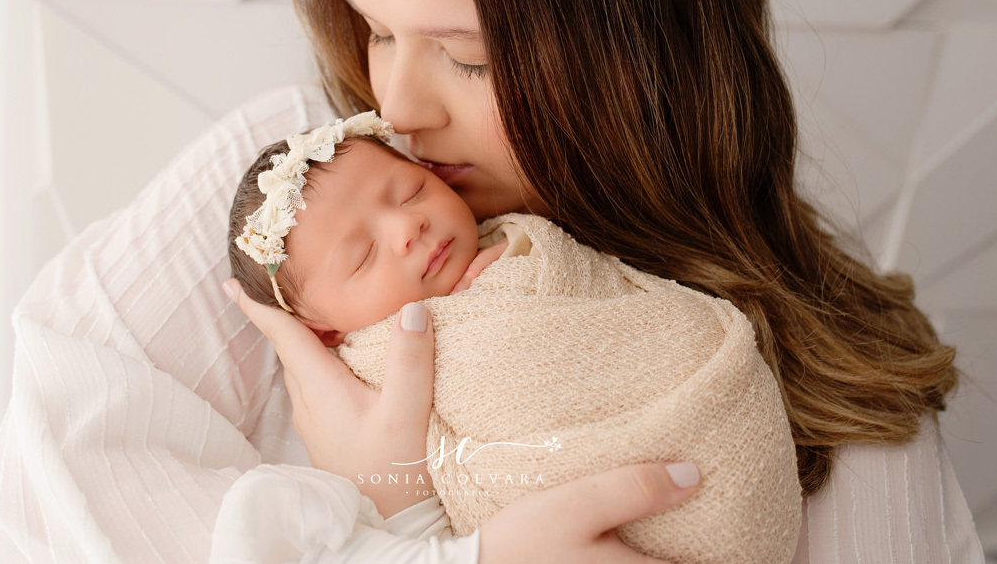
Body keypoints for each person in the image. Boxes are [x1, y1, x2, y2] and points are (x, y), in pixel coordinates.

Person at [222, 0, 983, 563]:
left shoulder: (854, 426)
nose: (395, 108)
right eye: (378, 30)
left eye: (468, 57)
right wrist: (403, 519)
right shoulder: (289, 202)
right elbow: (53, 478)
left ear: (639, 59)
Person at [215, 112, 800, 562]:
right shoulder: (363, 380)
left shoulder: (521, 239)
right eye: (363, 255)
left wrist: (519, 258)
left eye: (410, 190)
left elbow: (606, 294)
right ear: (323, 328)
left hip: (707, 417)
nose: (407, 226)